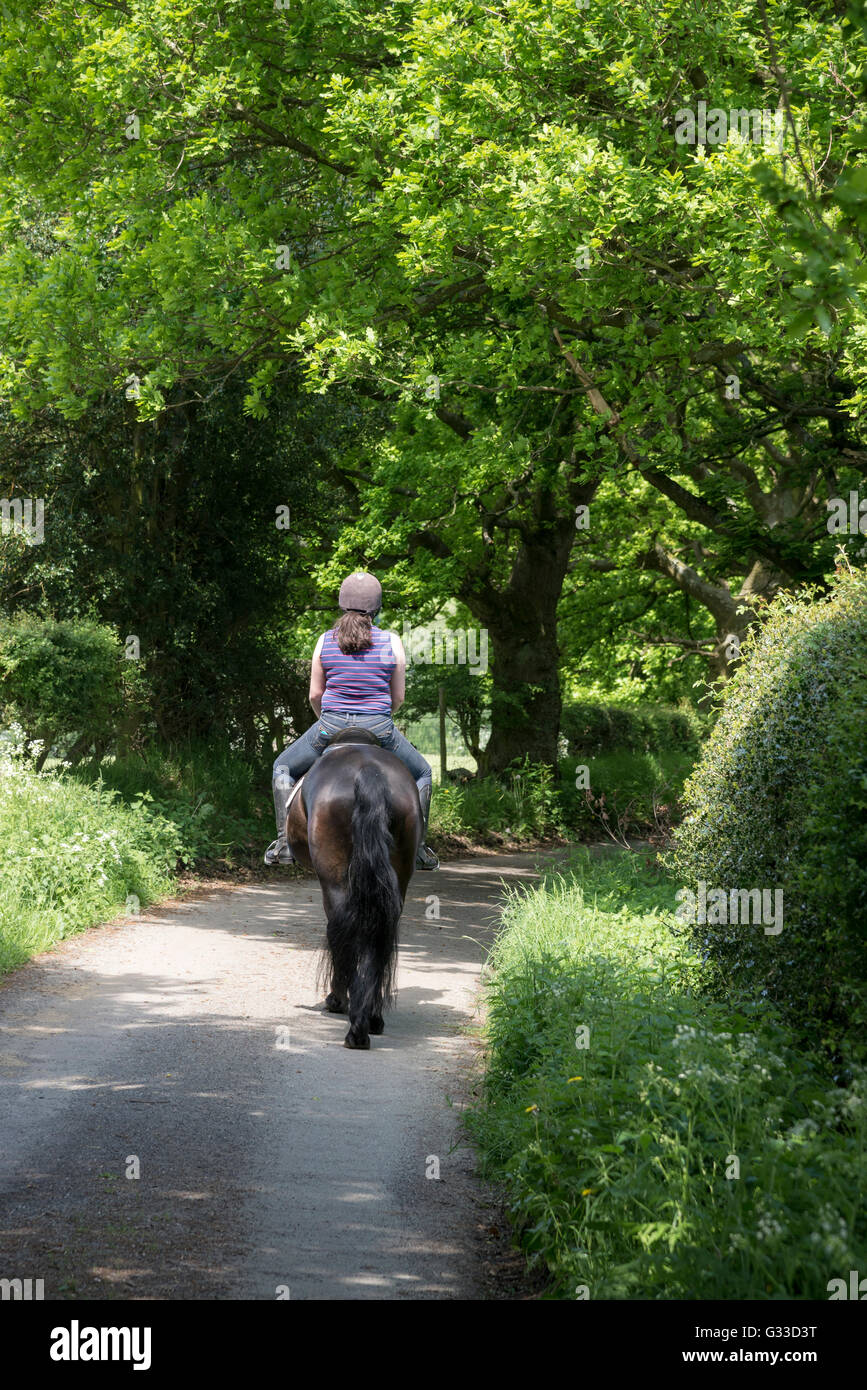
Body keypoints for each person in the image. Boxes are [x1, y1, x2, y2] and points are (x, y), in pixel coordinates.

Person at [265, 571, 439, 870]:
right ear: (377, 607)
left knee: (282, 766)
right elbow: (397, 698)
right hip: (379, 727)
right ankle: (420, 848)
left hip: (331, 724)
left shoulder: (325, 640)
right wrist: (377, 720)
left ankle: (283, 844)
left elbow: (315, 694)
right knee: (423, 772)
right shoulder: (392, 642)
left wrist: (329, 724)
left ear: (342, 604)